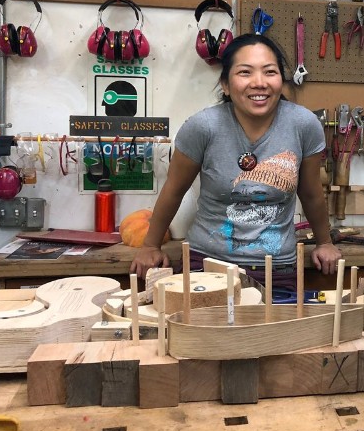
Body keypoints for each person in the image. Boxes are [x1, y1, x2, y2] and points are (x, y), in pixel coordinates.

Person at [130, 33, 342, 288]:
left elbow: (311, 193)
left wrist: (324, 242)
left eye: (270, 72)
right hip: (207, 265)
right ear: (226, 85)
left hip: (278, 268)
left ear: (281, 80)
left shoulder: (303, 125)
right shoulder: (203, 127)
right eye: (245, 72)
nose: (259, 83)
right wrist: (150, 246)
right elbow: (174, 189)